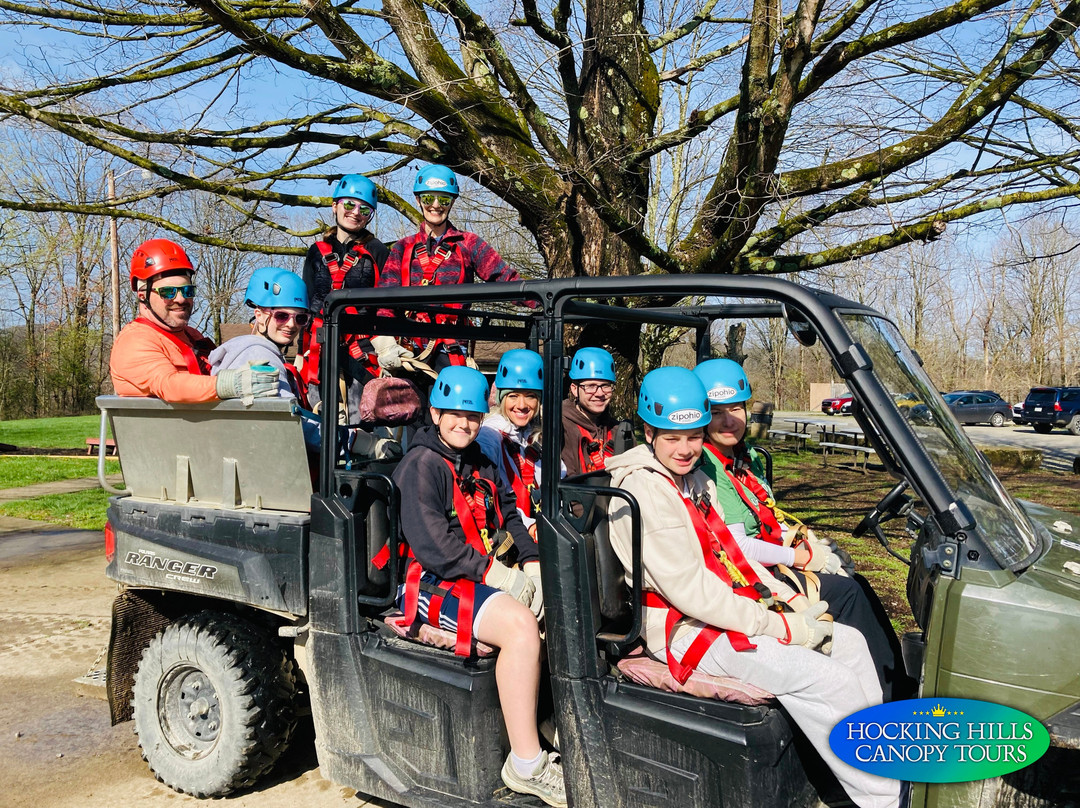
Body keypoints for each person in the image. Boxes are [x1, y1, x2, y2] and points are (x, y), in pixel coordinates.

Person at [605, 367, 900, 808]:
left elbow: (733, 557)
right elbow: (693, 593)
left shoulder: (693, 480)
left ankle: (871, 772)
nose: (686, 449)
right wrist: (782, 628)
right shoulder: (645, 493)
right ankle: (885, 798)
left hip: (727, 612)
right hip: (686, 633)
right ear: (649, 431)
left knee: (853, 644)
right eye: (672, 437)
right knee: (830, 679)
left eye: (694, 436)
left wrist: (791, 601)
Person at [390, 366, 564, 807]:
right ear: (435, 412)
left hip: (477, 569)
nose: (464, 424)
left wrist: (532, 561)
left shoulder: (479, 460)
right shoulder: (421, 466)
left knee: (557, 603)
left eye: (471, 416)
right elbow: (434, 547)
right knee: (521, 626)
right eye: (453, 414)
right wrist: (497, 575)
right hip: (430, 581)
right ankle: (525, 764)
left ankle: (545, 721)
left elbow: (508, 513)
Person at [692, 358, 912, 701]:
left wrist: (809, 545)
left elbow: (764, 519)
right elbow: (737, 546)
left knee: (858, 585)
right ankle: (890, 697)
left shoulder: (741, 457)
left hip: (768, 559)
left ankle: (896, 681)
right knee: (850, 595)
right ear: (702, 414)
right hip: (746, 574)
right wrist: (802, 556)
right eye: (716, 411)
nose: (728, 420)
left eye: (735, 408)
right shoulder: (709, 467)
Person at [207, 267, 399, 459]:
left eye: (300, 318)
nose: (291, 325)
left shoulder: (235, 353)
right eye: (281, 315)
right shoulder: (261, 358)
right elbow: (291, 426)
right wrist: (360, 442)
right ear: (259, 315)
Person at [372, 164, 527, 372]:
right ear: (418, 200)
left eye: (443, 199)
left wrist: (546, 299)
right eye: (428, 198)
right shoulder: (403, 248)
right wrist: (385, 344)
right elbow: (385, 300)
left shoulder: (468, 243)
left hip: (452, 344)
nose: (436, 205)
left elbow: (506, 279)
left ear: (452, 202)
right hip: (408, 347)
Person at [110, 238, 278, 403]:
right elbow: (168, 385)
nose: (181, 299)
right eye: (168, 292)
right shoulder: (134, 341)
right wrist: (232, 383)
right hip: (173, 429)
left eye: (187, 291)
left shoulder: (192, 335)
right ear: (143, 296)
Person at [299, 174, 394, 415]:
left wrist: (386, 343)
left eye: (364, 209)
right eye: (349, 204)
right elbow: (306, 301)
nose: (355, 212)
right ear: (335, 206)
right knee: (319, 418)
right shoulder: (316, 252)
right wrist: (301, 351)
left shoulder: (377, 251)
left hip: (361, 348)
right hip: (320, 346)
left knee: (361, 419)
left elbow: (388, 301)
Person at [477, 349, 551, 539]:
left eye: (530, 396)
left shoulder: (535, 435)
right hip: (511, 531)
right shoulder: (490, 435)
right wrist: (531, 526)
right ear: (502, 398)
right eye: (513, 396)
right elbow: (495, 498)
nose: (522, 405)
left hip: (540, 523)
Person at [560, 347, 633, 476]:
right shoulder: (561, 427)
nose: (599, 393)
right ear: (574, 389)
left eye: (605, 386)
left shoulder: (618, 431)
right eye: (591, 386)